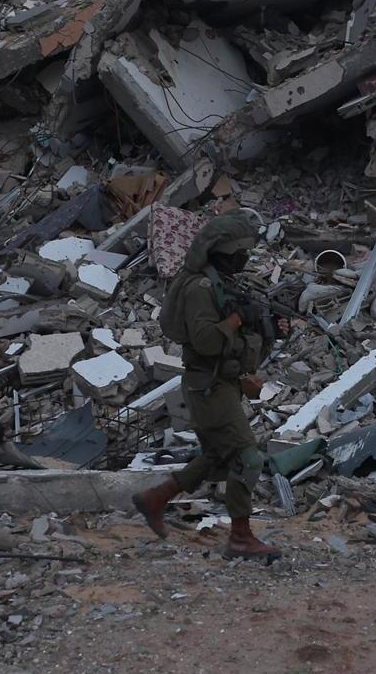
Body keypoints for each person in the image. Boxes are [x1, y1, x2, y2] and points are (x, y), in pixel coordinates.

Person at [130, 211, 281, 560]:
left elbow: (236, 337)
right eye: (240, 250)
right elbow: (206, 341)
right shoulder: (200, 288)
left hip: (221, 385)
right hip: (209, 388)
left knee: (217, 456)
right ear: (223, 252)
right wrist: (237, 318)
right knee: (247, 457)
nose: (244, 257)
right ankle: (241, 538)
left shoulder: (222, 282)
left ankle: (155, 498)